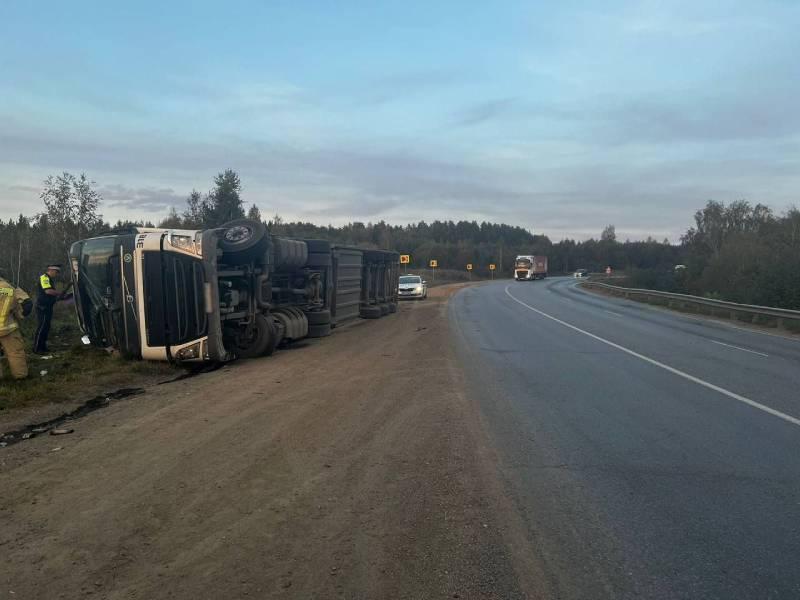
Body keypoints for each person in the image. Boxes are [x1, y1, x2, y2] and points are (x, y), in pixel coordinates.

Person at [0, 273, 33, 380]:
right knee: (15, 353)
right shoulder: (7, 288)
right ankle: (20, 377)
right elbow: (18, 307)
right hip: (7, 328)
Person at [33, 264, 71, 355]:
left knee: (46, 327)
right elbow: (48, 291)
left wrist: (61, 297)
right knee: (42, 327)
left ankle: (43, 347)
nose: (57, 274)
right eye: (56, 272)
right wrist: (60, 293)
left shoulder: (49, 279)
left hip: (48, 306)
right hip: (43, 307)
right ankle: (37, 348)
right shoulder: (44, 277)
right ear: (51, 270)